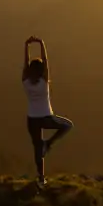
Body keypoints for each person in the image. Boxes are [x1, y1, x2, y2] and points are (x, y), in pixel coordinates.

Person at [22, 36, 73, 188]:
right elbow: (46, 61)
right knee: (68, 125)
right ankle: (48, 144)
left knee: (37, 147)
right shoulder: (44, 81)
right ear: (41, 70)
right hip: (45, 117)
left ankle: (41, 178)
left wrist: (26, 46)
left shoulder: (25, 81)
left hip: (31, 119)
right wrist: (41, 43)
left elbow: (25, 63)